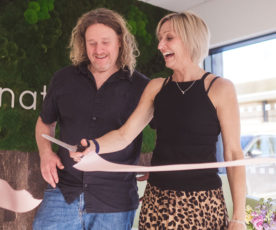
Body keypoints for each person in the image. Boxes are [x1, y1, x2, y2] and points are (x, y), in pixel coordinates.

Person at [71, 11, 246, 230]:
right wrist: (93, 146)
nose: (160, 45)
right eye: (160, 39)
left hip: (203, 203)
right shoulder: (156, 87)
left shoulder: (220, 88)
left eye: (169, 38)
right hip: (158, 200)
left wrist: (239, 217)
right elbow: (125, 135)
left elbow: (233, 154)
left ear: (191, 38)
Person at [33, 8, 150, 230]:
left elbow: (169, 129)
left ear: (120, 42)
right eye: (92, 43)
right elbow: (45, 122)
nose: (98, 50)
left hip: (115, 200)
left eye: (105, 42)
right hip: (63, 192)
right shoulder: (63, 78)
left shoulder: (141, 86)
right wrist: (45, 153)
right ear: (83, 44)